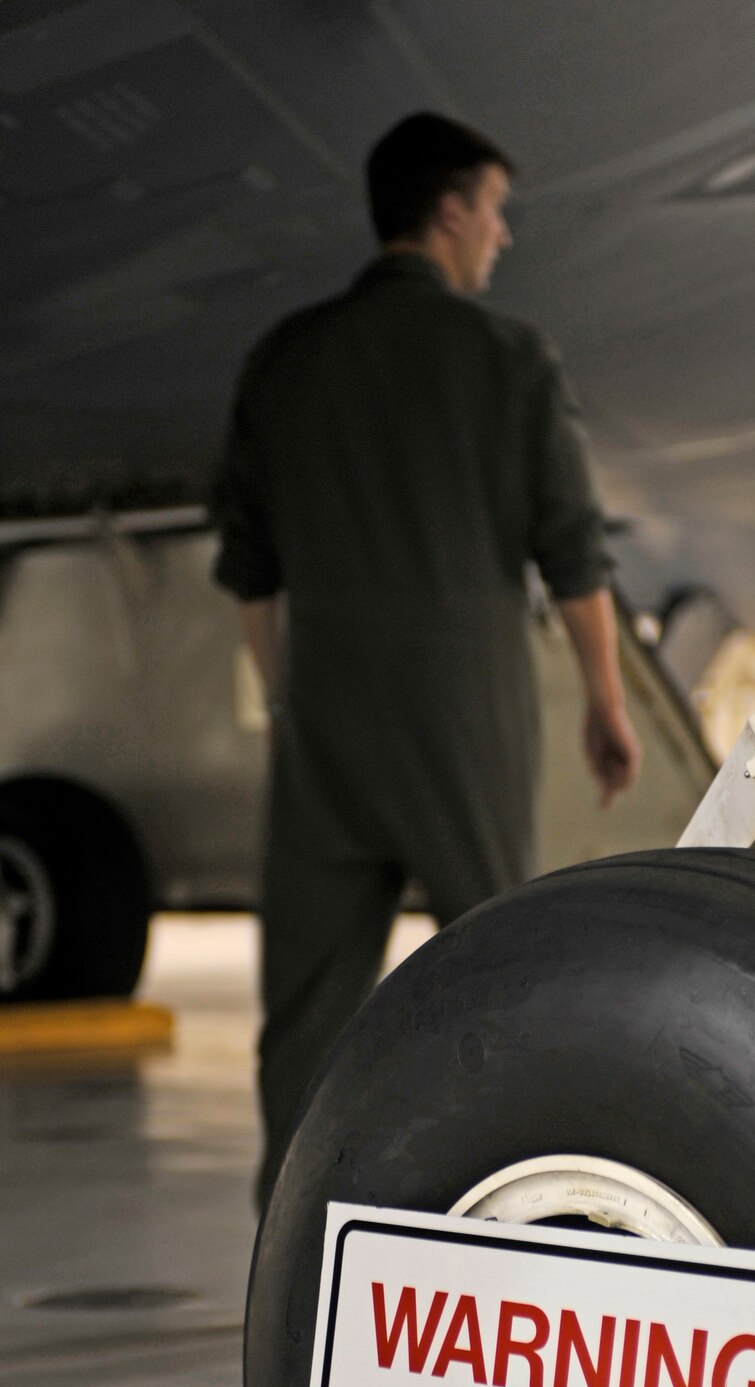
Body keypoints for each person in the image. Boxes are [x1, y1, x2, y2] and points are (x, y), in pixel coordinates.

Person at [212, 111, 641, 1210]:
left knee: (303, 1008)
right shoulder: (505, 359)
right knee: (502, 972)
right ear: (448, 209)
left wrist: (287, 700)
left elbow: (251, 575)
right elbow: (572, 559)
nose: (500, 234)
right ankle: (521, 1209)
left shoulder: (286, 358)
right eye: (494, 209)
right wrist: (606, 701)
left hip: (323, 720)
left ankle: (298, 1239)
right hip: (462, 715)